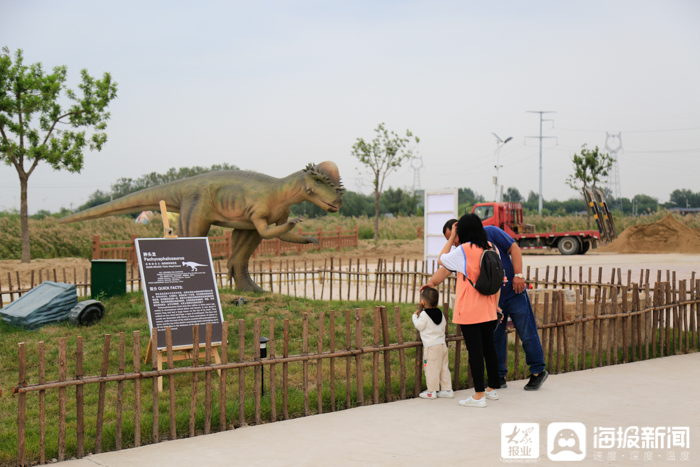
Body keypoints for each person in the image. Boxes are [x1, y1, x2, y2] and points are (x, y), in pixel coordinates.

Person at [443, 218, 548, 391]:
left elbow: (514, 248)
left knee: (526, 331)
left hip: (513, 292)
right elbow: (445, 268)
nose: (454, 243)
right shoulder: (465, 250)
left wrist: (519, 275)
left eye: (454, 238)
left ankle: (538, 371)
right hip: (492, 299)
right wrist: (431, 283)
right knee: (495, 338)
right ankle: (498, 376)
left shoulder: (490, 232)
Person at [421, 214, 501, 408]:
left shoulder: (465, 249)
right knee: (489, 348)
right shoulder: (491, 247)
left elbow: (442, 260)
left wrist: (450, 238)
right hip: (488, 307)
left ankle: (478, 396)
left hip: (470, 310)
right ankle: (491, 388)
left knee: (475, 351)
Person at [412, 287, 454, 400]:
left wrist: (415, 317)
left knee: (430, 368)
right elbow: (443, 325)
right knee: (444, 367)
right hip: (442, 345)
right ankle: (447, 389)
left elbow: (419, 326)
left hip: (431, 347)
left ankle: (431, 391)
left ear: (423, 302)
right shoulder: (440, 313)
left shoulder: (424, 315)